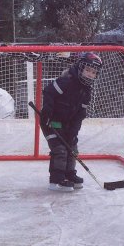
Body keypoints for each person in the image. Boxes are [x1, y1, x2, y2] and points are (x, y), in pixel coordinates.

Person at [39, 51, 102, 191]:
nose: (89, 74)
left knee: (72, 147)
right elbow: (48, 92)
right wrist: (47, 114)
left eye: (93, 72)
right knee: (60, 149)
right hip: (51, 121)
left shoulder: (86, 92)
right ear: (80, 67)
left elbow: (80, 114)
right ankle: (56, 180)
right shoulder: (67, 80)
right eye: (87, 70)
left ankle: (69, 174)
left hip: (67, 124)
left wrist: (73, 132)